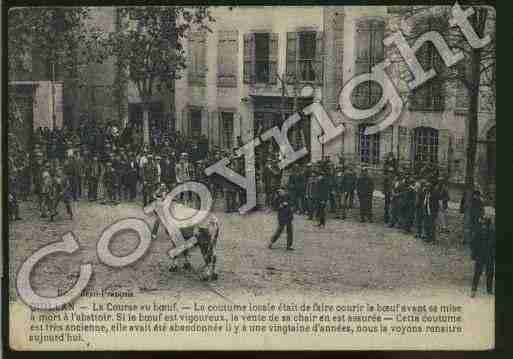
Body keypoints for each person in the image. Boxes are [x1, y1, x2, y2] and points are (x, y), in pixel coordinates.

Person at [470, 208, 495, 297]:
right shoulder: (480, 231)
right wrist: (474, 254)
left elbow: (473, 243)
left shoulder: (491, 231)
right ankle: (474, 289)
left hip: (488, 255)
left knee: (489, 272)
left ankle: (487, 289)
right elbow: (474, 243)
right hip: (483, 255)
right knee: (478, 272)